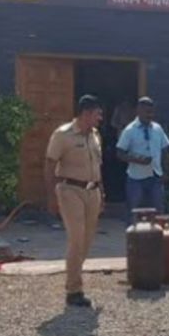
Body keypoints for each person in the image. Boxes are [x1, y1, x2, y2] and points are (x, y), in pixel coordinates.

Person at [45, 95, 105, 308]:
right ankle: (74, 289)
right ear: (86, 113)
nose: (100, 118)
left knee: (87, 240)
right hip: (70, 189)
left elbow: (97, 165)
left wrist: (101, 193)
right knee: (76, 238)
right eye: (97, 114)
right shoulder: (63, 135)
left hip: (92, 190)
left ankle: (73, 276)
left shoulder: (95, 135)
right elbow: (50, 164)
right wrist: (51, 196)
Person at [116, 97, 169, 220]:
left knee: (158, 211)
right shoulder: (129, 130)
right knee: (133, 211)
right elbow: (120, 153)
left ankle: (157, 231)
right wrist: (137, 160)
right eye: (146, 112)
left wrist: (165, 171)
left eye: (151, 112)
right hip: (136, 178)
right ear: (138, 111)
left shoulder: (157, 129)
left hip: (155, 176)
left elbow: (164, 150)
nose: (149, 115)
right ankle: (132, 231)